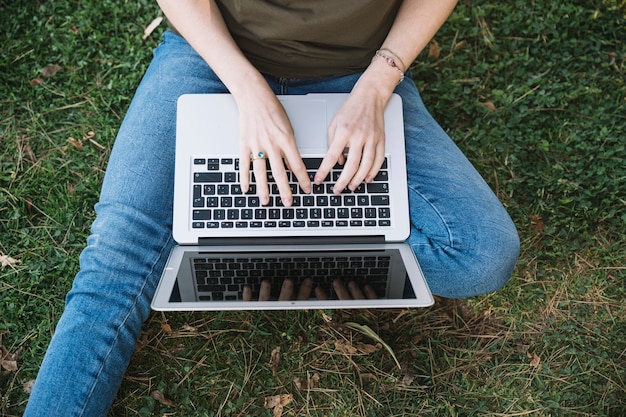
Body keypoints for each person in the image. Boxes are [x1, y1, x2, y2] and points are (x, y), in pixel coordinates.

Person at [23, 1, 520, 415]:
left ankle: (254, 232)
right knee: (115, 261)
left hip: (358, 72)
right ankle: (252, 226)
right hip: (212, 57)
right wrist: (249, 91)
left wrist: (378, 84)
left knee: (483, 253)